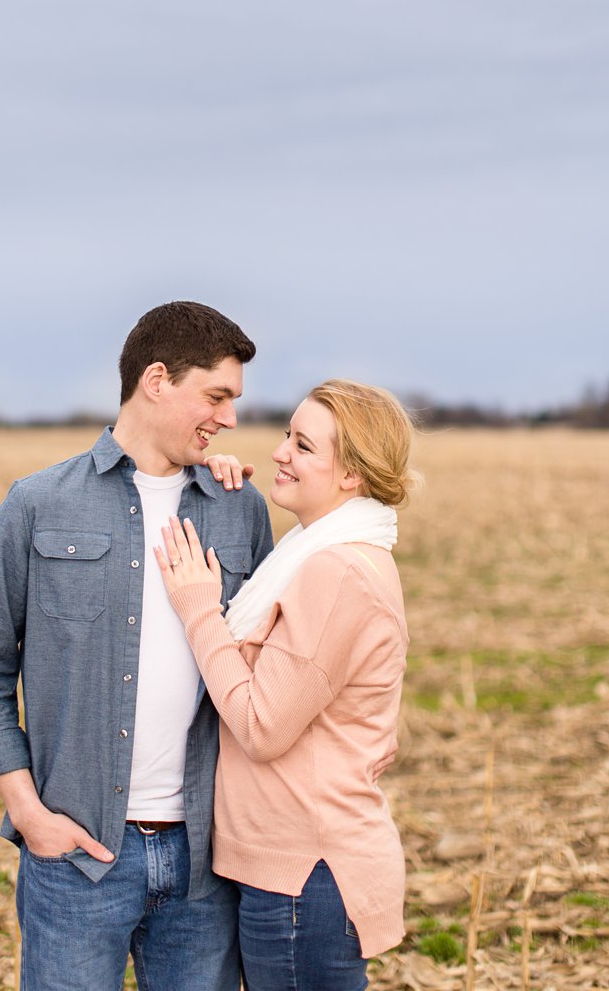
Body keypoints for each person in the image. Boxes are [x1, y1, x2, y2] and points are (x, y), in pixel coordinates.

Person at [0, 301, 273, 991]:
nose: (230, 418)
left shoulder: (239, 506)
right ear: (156, 380)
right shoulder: (36, 505)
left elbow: (270, 663)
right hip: (76, 856)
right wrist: (27, 813)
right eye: (216, 396)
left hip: (205, 860)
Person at [156, 379, 417, 991]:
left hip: (307, 871)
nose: (280, 453)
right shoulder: (310, 553)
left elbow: (262, 725)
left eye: (303, 445)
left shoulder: (337, 572)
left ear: (351, 474)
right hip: (294, 866)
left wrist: (199, 609)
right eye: (286, 436)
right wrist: (206, 475)